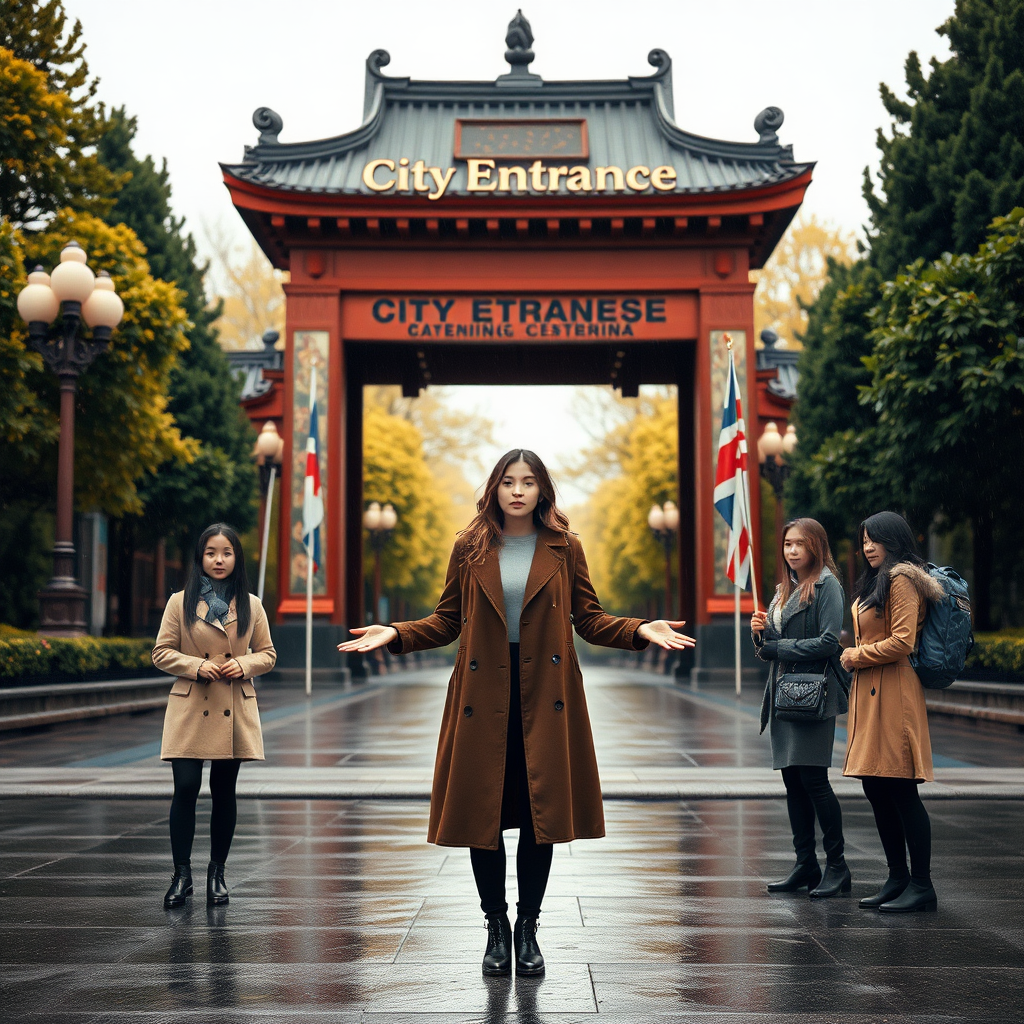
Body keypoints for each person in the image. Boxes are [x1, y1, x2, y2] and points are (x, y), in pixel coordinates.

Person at [339, 449, 695, 977]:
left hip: (543, 693)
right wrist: (395, 632)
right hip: (484, 696)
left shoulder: (564, 547)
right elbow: (446, 620)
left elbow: (589, 618)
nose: (518, 491)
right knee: (481, 815)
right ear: (495, 488)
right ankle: (495, 926)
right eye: (509, 481)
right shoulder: (470, 545)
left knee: (539, 816)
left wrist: (641, 628)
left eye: (528, 482)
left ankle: (528, 926)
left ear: (542, 490)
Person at [152, 523, 276, 909]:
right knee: (185, 788)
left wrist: (244, 664)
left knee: (224, 792)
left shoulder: (251, 604)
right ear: (200, 558)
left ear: (236, 558)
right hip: (191, 705)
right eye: (210, 552)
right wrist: (194, 665)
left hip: (232, 708)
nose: (218, 559)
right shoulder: (180, 602)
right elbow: (161, 652)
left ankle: (217, 874)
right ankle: (181, 876)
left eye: (225, 552)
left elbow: (268, 654)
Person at [840, 511, 943, 913]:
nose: (867, 546)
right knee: (875, 784)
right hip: (870, 690)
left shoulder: (903, 578)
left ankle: (922, 884)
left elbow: (903, 641)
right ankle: (897, 877)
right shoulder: (877, 580)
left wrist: (855, 655)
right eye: (863, 539)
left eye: (875, 539)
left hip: (894, 689)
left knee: (900, 787)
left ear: (894, 540)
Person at [751, 518, 851, 898]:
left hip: (812, 696)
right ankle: (805, 863)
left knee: (814, 782)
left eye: (800, 544)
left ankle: (838, 867)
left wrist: (778, 647)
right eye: (787, 544)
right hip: (784, 695)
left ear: (816, 547)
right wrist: (761, 632)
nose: (792, 551)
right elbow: (769, 649)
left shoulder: (828, 586)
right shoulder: (783, 591)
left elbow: (829, 642)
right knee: (792, 782)